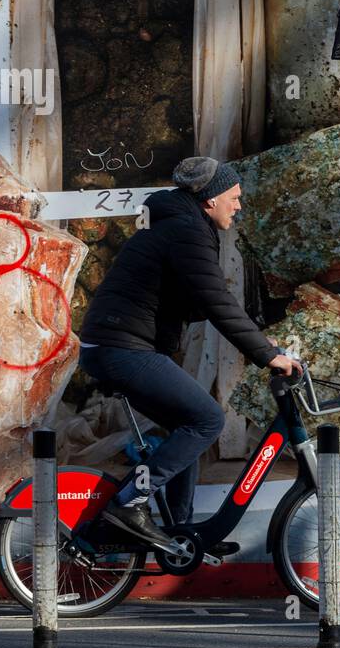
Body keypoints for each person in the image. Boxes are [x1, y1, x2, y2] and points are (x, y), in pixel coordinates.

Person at [77, 156, 299, 553]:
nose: (239, 205)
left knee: (189, 424)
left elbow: (197, 302)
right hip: (120, 348)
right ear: (210, 200)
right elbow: (218, 303)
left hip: (116, 346)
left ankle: (181, 535)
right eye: (234, 197)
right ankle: (130, 501)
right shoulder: (187, 231)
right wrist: (268, 355)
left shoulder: (181, 228)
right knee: (207, 419)